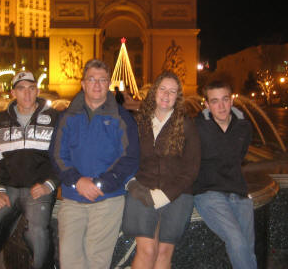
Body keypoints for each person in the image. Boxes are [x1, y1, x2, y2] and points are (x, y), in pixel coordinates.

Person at [50, 59, 140, 269]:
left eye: (102, 80)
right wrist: (77, 181)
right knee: (69, 261)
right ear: (83, 84)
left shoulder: (123, 117)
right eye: (92, 79)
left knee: (96, 262)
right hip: (73, 197)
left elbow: (130, 158)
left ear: (109, 83)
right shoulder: (67, 116)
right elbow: (56, 155)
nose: (97, 85)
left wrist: (101, 184)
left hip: (107, 198)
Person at [0, 71, 59, 269]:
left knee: (38, 231)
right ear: (13, 93)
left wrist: (50, 184)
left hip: (39, 188)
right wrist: (0, 189)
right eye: (21, 89)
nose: (27, 94)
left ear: (37, 91)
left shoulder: (54, 118)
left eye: (31, 89)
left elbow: (63, 157)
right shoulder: (0, 120)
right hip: (9, 189)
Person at [122, 71, 201, 269]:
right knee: (148, 251)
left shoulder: (186, 125)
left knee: (164, 252)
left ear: (178, 97)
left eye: (172, 92)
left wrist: (166, 195)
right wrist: (132, 184)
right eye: (163, 89)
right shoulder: (139, 122)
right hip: (143, 189)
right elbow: (126, 156)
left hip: (177, 192)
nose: (166, 95)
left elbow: (191, 169)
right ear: (154, 91)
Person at [193, 80, 257, 269]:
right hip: (208, 193)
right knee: (236, 241)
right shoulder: (196, 128)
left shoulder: (244, 126)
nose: (221, 106)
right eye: (214, 101)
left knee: (248, 247)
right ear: (206, 104)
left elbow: (241, 155)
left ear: (231, 100)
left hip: (239, 192)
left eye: (225, 99)